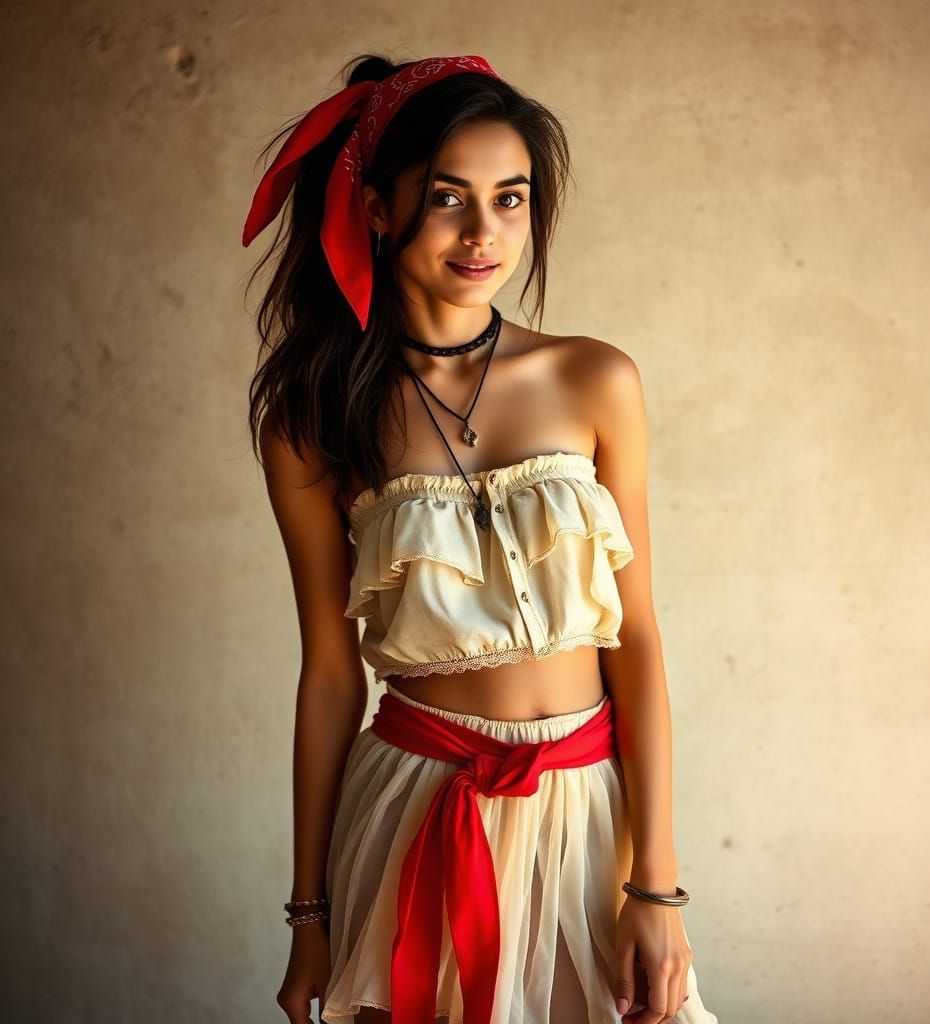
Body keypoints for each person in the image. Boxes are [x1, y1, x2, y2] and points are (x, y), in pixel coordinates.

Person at [242, 52, 719, 1024]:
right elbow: (331, 674)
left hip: (589, 814)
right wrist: (308, 914)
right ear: (377, 209)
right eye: (449, 197)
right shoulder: (314, 416)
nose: (484, 233)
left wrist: (657, 888)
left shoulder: (596, 380)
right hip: (412, 803)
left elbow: (635, 641)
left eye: (510, 199)